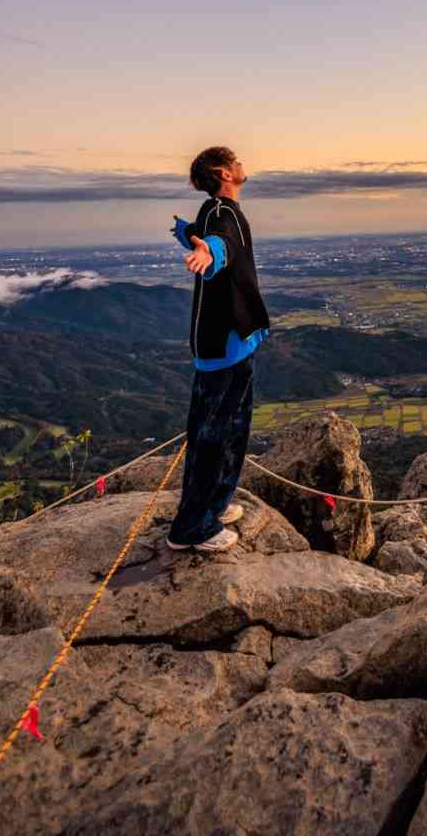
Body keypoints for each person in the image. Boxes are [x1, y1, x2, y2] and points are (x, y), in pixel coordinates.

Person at [165, 146, 271, 552]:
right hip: (223, 342)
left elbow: (200, 232)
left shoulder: (219, 211)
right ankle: (192, 528)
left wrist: (185, 234)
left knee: (231, 431)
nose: (243, 164)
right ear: (222, 173)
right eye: (236, 160)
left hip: (236, 342)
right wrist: (205, 250)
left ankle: (214, 504)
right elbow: (217, 243)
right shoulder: (221, 214)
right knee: (213, 436)